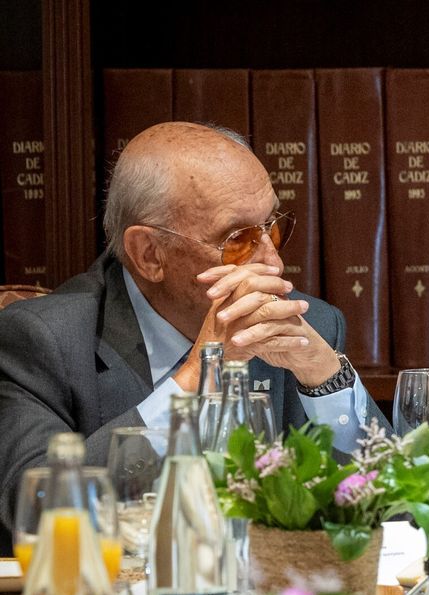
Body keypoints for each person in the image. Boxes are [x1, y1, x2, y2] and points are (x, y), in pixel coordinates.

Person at [0, 122, 383, 550]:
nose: (273, 264)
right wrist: (197, 376)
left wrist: (325, 379)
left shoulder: (312, 325)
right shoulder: (44, 339)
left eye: (273, 228)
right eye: (239, 239)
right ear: (149, 254)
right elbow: (36, 513)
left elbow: (402, 514)